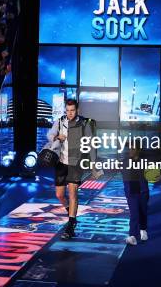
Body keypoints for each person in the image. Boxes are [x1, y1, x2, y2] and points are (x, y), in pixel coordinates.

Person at [46, 99, 98, 240]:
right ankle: (72, 215)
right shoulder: (60, 121)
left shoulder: (84, 123)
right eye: (68, 110)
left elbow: (92, 145)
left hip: (76, 163)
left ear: (77, 110)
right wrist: (57, 137)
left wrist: (93, 165)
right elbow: (49, 136)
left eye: (72, 110)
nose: (69, 113)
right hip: (61, 162)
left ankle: (70, 226)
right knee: (59, 195)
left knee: (73, 193)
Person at [122, 142, 150, 245]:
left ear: (138, 150)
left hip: (143, 191)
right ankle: (132, 235)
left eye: (133, 149)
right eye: (130, 149)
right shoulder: (124, 162)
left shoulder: (145, 162)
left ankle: (143, 230)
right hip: (131, 192)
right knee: (134, 213)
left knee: (143, 212)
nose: (131, 151)